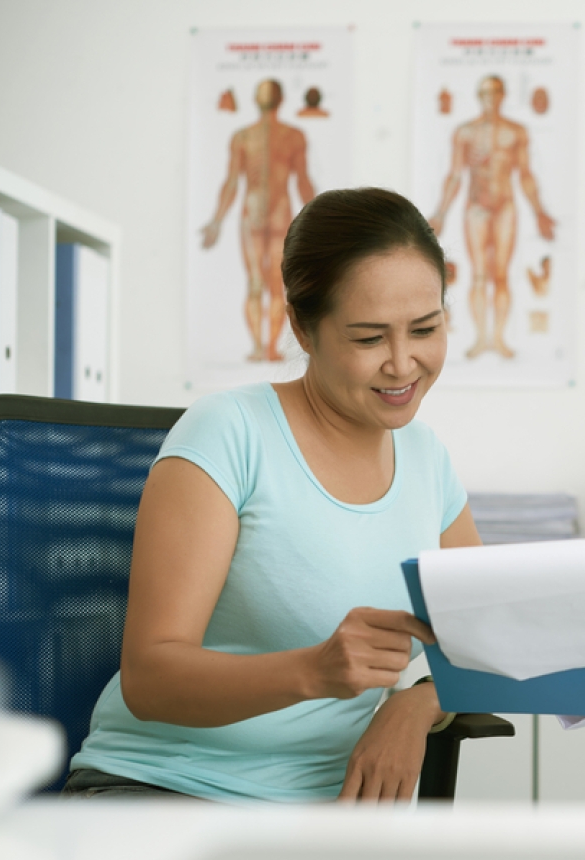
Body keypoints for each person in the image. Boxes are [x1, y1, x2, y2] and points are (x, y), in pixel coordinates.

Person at [66, 188, 476, 803]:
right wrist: (315, 671)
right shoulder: (228, 432)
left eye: (425, 329)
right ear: (302, 329)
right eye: (368, 339)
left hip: (330, 818)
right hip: (171, 790)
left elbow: (486, 638)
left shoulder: (427, 459)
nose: (402, 363)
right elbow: (150, 678)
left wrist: (418, 705)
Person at [428, 75, 556, 361]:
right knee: (478, 274)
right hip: (476, 207)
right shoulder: (465, 132)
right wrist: (440, 213)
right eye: (485, 92)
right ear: (479, 96)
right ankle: (480, 338)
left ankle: (498, 339)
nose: (490, 98)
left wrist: (539, 212)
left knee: (500, 275)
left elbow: (525, 175)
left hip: (505, 206)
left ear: (503, 95)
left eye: (495, 92)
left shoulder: (516, 132)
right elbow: (455, 175)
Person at [200, 78, 315, 363]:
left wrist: (320, 219)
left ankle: (264, 347)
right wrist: (215, 220)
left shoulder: (259, 136)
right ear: (282, 99)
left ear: (256, 99)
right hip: (268, 212)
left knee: (268, 282)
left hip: (263, 213)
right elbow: (232, 183)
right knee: (267, 283)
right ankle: (263, 347)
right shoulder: (268, 136)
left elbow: (301, 181)